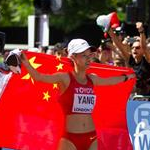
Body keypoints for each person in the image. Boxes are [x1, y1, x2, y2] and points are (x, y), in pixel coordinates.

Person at [21, 38, 135, 150]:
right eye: (84, 55)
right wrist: (26, 64)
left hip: (91, 136)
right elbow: (39, 77)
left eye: (90, 55)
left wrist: (127, 77)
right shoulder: (64, 78)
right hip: (70, 139)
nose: (89, 59)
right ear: (73, 56)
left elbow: (111, 81)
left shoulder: (92, 79)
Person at [107, 22, 150, 95]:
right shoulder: (130, 59)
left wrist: (141, 31)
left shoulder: (147, 59)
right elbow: (119, 45)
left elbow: (144, 48)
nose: (134, 50)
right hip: (135, 97)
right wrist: (108, 30)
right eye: (132, 48)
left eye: (137, 48)